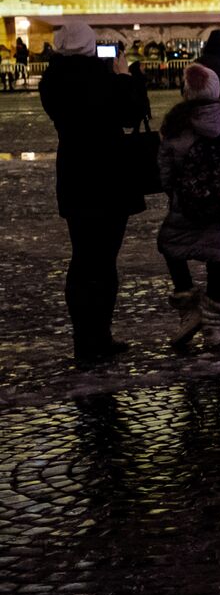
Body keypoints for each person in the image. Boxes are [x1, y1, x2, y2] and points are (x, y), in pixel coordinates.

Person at [40, 22, 150, 363]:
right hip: (109, 175)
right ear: (90, 45)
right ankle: (100, 334)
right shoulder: (101, 78)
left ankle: (83, 339)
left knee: (82, 257)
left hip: (75, 174)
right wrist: (125, 76)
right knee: (104, 261)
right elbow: (133, 114)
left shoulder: (51, 80)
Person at [157, 64, 220, 351]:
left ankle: (188, 308)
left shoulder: (176, 128)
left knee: (171, 248)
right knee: (217, 262)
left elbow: (165, 169)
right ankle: (215, 328)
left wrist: (177, 193)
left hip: (185, 204)